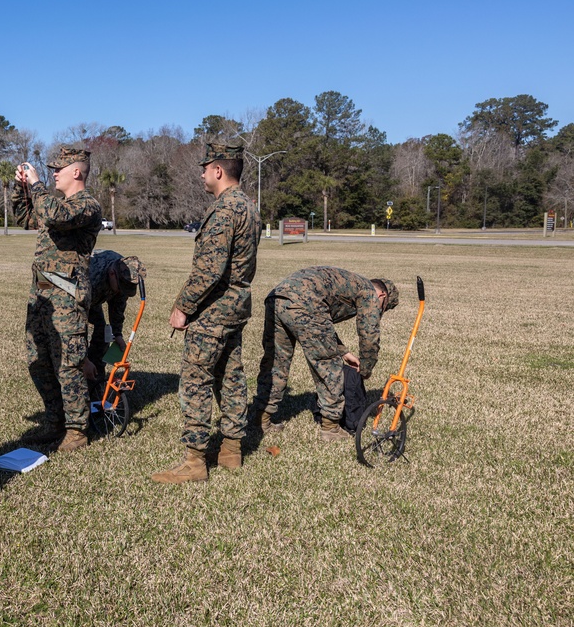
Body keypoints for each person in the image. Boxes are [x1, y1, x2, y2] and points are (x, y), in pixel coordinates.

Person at [151, 143, 261, 484]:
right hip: (236, 305)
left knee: (196, 379)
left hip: (214, 308)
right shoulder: (249, 207)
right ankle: (231, 450)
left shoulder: (225, 209)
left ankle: (195, 461)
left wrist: (182, 308)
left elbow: (210, 270)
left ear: (218, 171)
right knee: (230, 374)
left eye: (205, 168)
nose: (201, 173)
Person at [14, 146, 102, 451]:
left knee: (69, 364)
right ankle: (55, 420)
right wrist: (21, 187)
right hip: (42, 297)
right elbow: (27, 216)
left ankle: (77, 429)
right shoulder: (54, 203)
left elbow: (53, 214)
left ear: (76, 172)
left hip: (66, 297)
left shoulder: (87, 205)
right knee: (39, 363)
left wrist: (37, 184)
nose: (53, 174)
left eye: (58, 169)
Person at [250, 266, 399, 441]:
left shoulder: (352, 283)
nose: (380, 312)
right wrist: (366, 368)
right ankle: (331, 428)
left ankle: (261, 419)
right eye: (384, 308)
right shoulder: (370, 293)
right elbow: (369, 337)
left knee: (276, 362)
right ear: (382, 296)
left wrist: (344, 352)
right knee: (328, 364)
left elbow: (321, 321)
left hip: (277, 297)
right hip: (306, 302)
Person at [84, 250, 145, 400]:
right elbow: (72, 318)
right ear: (112, 274)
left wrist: (117, 334)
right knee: (75, 344)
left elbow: (118, 306)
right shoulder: (91, 276)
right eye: (120, 287)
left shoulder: (124, 274)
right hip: (73, 304)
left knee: (103, 336)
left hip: (93, 302)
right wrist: (82, 360)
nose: (121, 291)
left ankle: (94, 383)